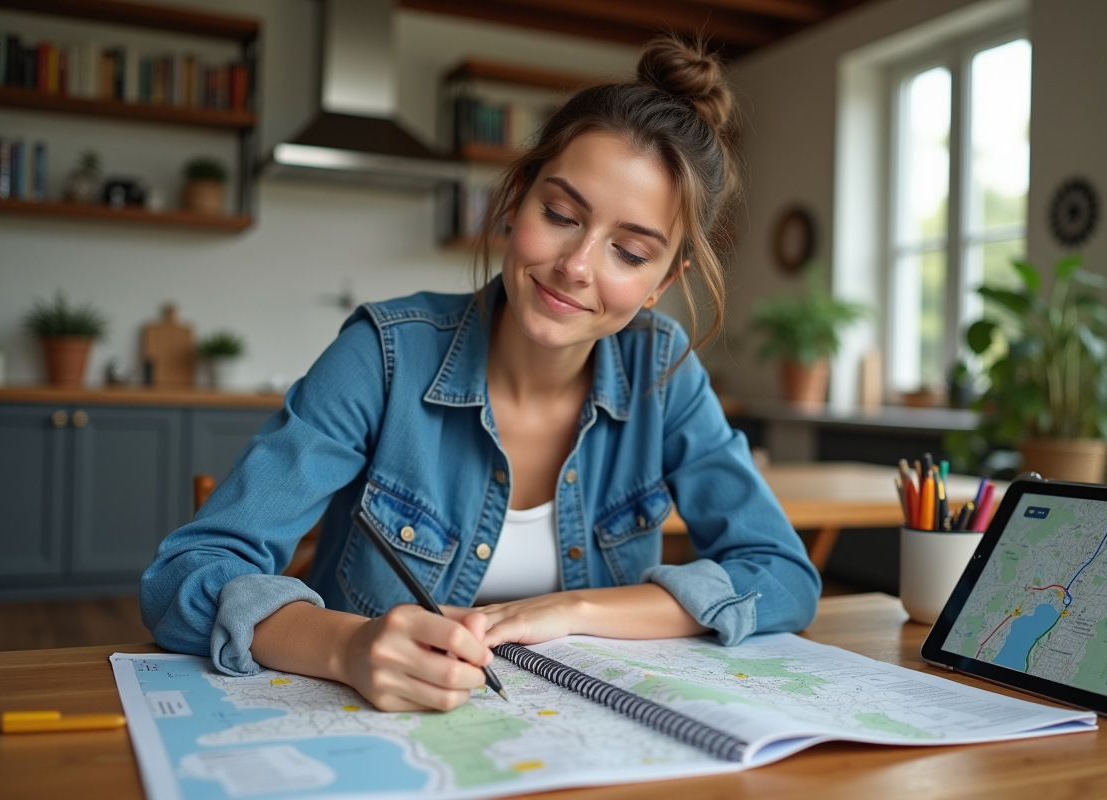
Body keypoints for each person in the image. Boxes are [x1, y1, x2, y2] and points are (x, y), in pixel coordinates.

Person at [141, 35, 820, 714]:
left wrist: (571, 610)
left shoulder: (662, 369)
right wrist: (343, 647)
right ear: (515, 200)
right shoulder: (383, 355)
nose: (577, 265)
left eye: (630, 250)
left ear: (661, 282)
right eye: (559, 214)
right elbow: (185, 577)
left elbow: (782, 575)